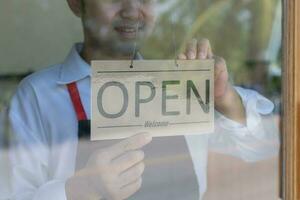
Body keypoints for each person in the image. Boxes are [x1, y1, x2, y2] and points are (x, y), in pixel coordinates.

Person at [8, 0, 279, 199]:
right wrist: (80, 190)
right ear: (76, 3)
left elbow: (262, 147)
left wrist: (225, 97)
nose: (131, 9)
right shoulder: (37, 96)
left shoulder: (180, 86)